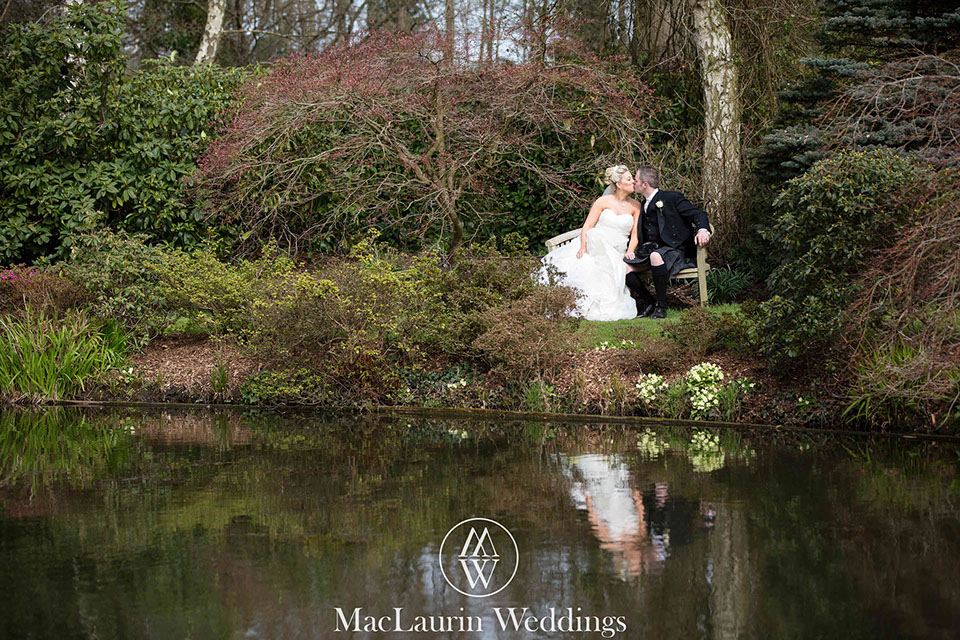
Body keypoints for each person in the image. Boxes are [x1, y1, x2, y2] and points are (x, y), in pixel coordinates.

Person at [542, 165, 642, 321]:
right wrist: (583, 247)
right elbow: (588, 226)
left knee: (612, 267)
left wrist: (630, 251)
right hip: (596, 244)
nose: (633, 182)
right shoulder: (603, 201)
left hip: (617, 250)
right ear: (619, 184)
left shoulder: (636, 206)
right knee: (584, 264)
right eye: (629, 179)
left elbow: (635, 234)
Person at [622, 166, 711, 319]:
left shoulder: (672, 198)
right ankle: (650, 302)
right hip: (650, 250)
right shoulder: (642, 205)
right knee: (624, 267)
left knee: (656, 256)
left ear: (645, 184)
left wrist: (703, 229)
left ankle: (661, 306)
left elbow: (698, 213)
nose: (633, 183)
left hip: (674, 250)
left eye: (635, 180)